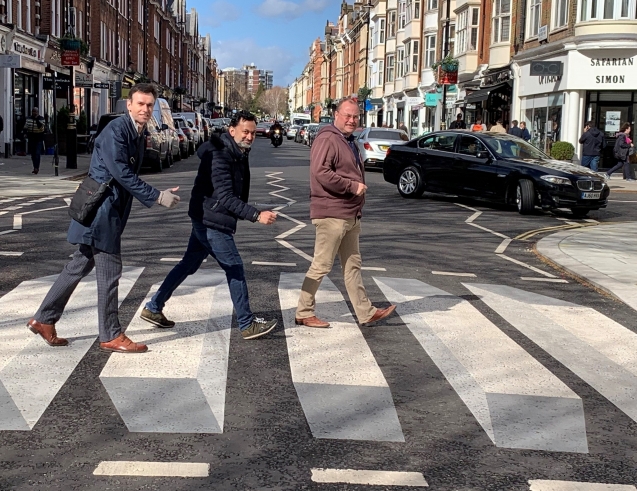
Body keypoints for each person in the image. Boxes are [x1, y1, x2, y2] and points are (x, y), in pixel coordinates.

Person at [27, 83, 181, 353]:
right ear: (129, 105)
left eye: (149, 105)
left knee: (78, 266)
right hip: (100, 210)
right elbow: (121, 172)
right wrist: (156, 196)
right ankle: (110, 334)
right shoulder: (116, 130)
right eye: (140, 104)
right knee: (110, 272)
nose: (145, 109)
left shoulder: (137, 130)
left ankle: (44, 319)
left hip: (107, 207)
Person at [139, 110, 279, 340]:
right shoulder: (221, 155)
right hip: (211, 220)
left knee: (188, 264)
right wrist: (255, 215)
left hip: (205, 216)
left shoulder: (236, 151)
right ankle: (247, 323)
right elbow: (225, 197)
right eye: (245, 132)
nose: (250, 136)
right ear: (232, 130)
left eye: (253, 133)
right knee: (234, 267)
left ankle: (154, 307)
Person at [294, 97, 396, 329]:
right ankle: (304, 311)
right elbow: (320, 172)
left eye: (355, 116)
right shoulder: (328, 138)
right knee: (321, 265)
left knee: (352, 265)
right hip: (332, 212)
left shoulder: (348, 140)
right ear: (336, 115)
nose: (351, 120)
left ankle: (366, 312)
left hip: (349, 212)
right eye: (347, 115)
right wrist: (352, 186)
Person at [23, 107, 45, 174]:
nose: (34, 113)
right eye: (33, 111)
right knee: (33, 154)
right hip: (31, 137)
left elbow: (41, 127)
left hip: (39, 137)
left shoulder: (41, 119)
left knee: (37, 153)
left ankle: (37, 168)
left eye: (35, 112)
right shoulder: (28, 119)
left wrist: (36, 119)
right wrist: (25, 133)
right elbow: (26, 127)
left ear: (38, 112)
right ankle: (35, 167)